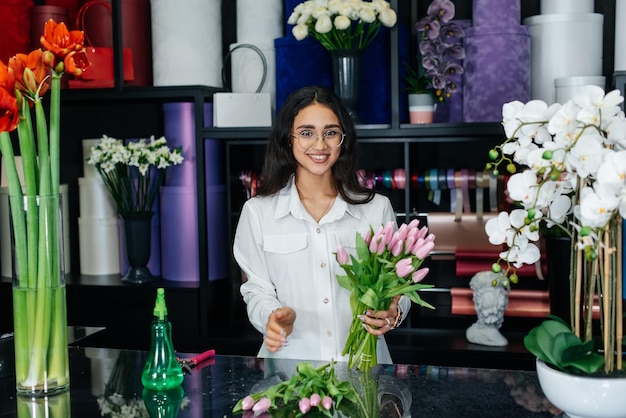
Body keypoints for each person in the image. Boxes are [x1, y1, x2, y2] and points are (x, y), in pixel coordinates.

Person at [233, 86, 410, 363]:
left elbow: (398, 286)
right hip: (288, 374)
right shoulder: (258, 213)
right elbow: (256, 290)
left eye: (330, 132)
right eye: (306, 133)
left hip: (365, 373)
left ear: (343, 139)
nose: (319, 144)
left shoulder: (376, 209)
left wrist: (394, 313)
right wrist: (274, 318)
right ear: (287, 140)